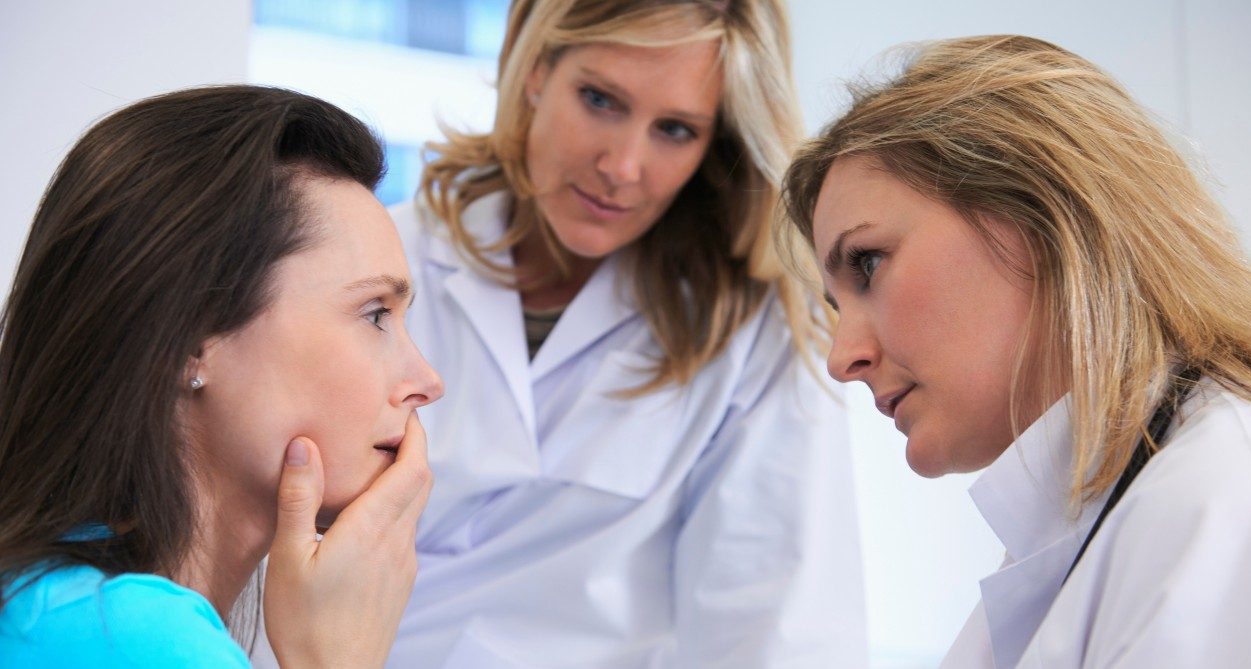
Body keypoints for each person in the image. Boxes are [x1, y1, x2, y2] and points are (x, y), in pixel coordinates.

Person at [363, 0, 866, 666]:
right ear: (537, 68)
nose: (623, 165)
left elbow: (776, 628)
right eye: (600, 99)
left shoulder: (752, 334)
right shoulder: (382, 261)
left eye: (676, 130)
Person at [781, 34, 1251, 668]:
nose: (841, 357)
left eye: (869, 264)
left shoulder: (1228, 493)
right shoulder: (1086, 529)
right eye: (834, 306)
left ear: (1041, 213)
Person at [0, 85, 443, 667]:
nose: (426, 381)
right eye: (375, 313)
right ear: (190, 338)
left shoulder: (53, 607)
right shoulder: (137, 640)